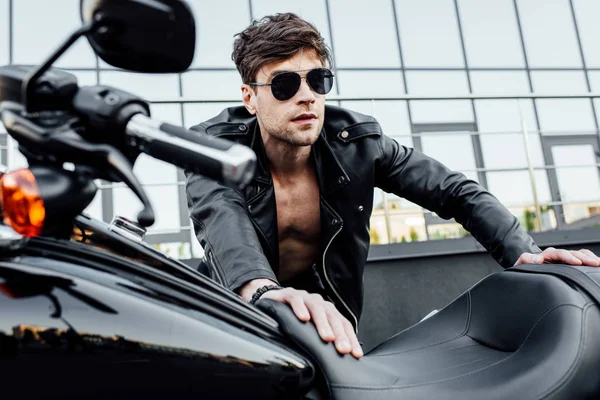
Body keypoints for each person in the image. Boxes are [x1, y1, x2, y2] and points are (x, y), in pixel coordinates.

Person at [185, 13, 600, 360]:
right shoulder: (214, 149)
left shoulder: (357, 144)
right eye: (284, 85)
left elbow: (455, 191)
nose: (307, 96)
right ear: (249, 97)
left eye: (317, 80)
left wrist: (525, 254)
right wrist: (261, 291)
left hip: (327, 316)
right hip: (239, 308)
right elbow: (222, 221)